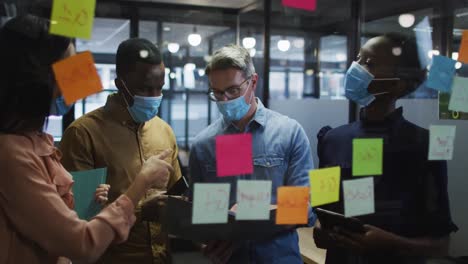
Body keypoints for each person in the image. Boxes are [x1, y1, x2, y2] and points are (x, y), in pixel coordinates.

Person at [0, 15, 173, 264]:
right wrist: (141, 184)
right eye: (68, 68)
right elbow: (81, 242)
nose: (78, 80)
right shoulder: (18, 151)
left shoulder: (39, 142)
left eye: (160, 88)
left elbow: (61, 224)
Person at [313, 33, 458, 264]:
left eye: (369, 63)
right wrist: (324, 231)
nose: (356, 68)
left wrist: (391, 243)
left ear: (398, 84)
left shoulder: (425, 145)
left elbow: (440, 245)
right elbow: (321, 216)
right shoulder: (332, 139)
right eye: (358, 58)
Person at [189, 44, 316, 263]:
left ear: (253, 82)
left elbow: (306, 210)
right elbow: (200, 216)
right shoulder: (204, 145)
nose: (225, 100)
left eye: (233, 90)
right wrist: (205, 242)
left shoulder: (289, 133)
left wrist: (252, 211)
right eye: (217, 93)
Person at [59, 38, 182, 264]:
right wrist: (141, 210)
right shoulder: (83, 134)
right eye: (145, 88)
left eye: (160, 88)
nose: (154, 96)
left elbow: (176, 194)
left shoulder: (164, 131)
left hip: (162, 256)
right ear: (120, 83)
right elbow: (79, 218)